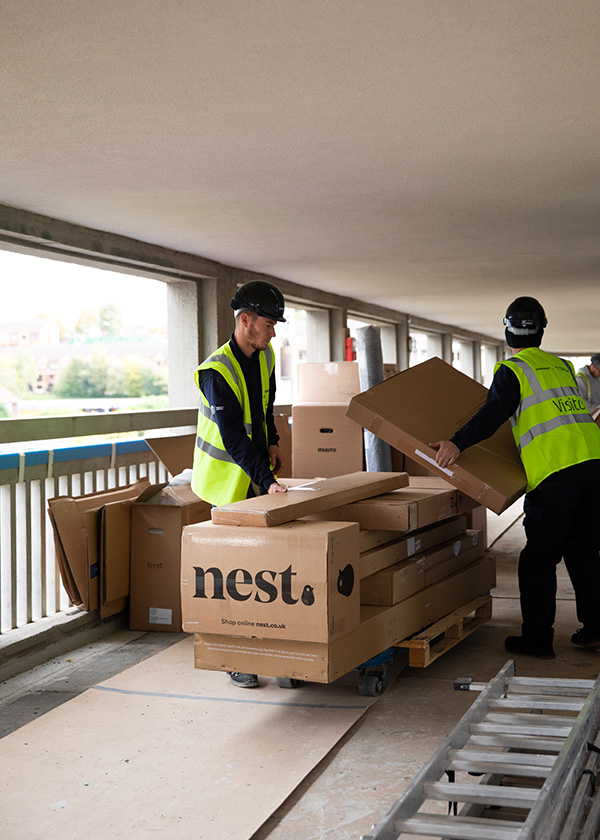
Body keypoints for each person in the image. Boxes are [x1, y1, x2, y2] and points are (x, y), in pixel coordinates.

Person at [430, 296, 600, 659]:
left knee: (538, 558)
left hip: (557, 469)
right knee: (584, 551)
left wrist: (457, 444)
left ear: (507, 330)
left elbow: (494, 414)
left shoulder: (514, 368)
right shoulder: (561, 366)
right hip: (593, 461)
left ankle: (538, 639)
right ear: (542, 329)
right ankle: (596, 628)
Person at [191, 280, 288, 687]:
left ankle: (273, 650)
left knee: (261, 575)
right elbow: (232, 437)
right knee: (230, 579)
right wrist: (267, 480)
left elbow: (264, 408)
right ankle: (235, 657)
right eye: (268, 323)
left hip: (254, 480)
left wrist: (274, 442)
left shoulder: (263, 357)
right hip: (225, 487)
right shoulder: (217, 372)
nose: (273, 331)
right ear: (245, 321)